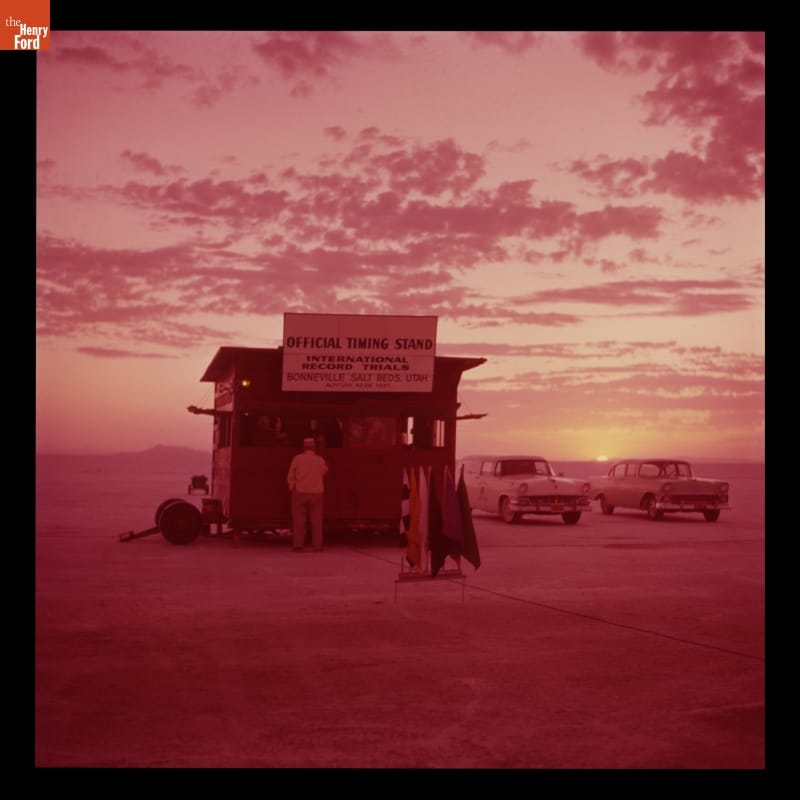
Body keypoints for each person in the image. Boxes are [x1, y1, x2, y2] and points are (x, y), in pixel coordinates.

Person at [287, 437, 329, 551]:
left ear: (304, 447)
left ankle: (298, 545)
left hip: (300, 491)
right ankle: (317, 546)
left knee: (299, 520)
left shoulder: (297, 459)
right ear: (314, 447)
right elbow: (324, 471)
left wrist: (292, 487)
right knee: (316, 520)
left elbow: (290, 475)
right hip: (316, 492)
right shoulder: (320, 460)